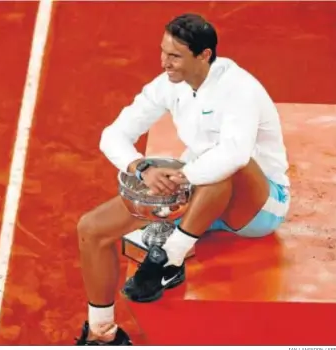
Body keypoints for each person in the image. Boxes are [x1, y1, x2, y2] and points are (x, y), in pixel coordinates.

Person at [74, 13, 291, 346]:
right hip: (197, 192)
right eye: (163, 52)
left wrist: (185, 175)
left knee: (224, 165)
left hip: (257, 205)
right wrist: (140, 167)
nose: (164, 63)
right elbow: (113, 135)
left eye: (174, 56)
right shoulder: (167, 86)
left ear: (203, 55)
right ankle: (102, 333)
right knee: (91, 228)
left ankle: (170, 261)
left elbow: (234, 155)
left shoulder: (239, 89)